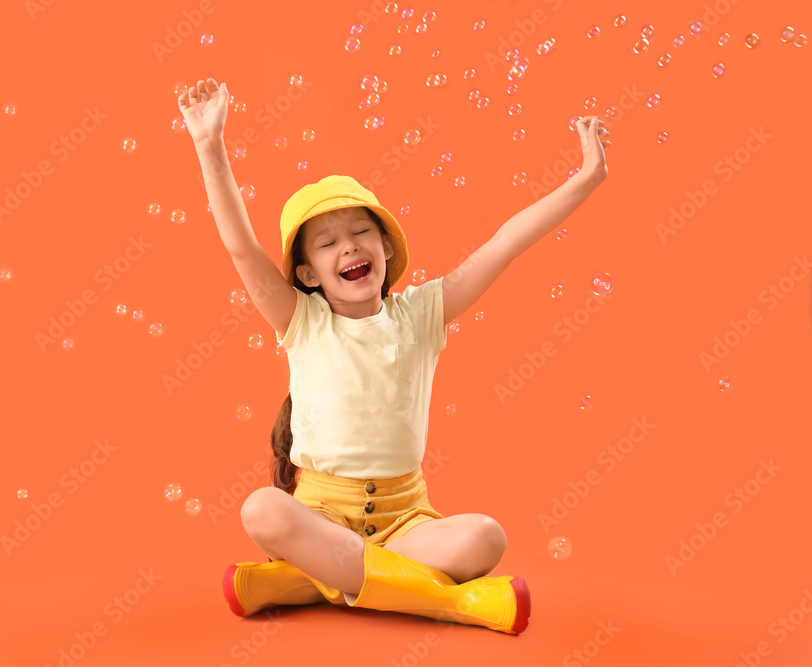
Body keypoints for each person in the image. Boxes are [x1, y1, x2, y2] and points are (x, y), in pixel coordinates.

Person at [178, 77, 610, 635]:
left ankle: (304, 580)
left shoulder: (422, 314)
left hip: (406, 518)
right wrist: (209, 145)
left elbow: (504, 243)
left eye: (362, 232)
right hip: (320, 514)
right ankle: (450, 602)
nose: (350, 246)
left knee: (486, 538)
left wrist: (586, 178)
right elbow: (241, 245)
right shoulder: (301, 320)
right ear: (308, 274)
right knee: (262, 510)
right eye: (328, 242)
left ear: (385, 249)